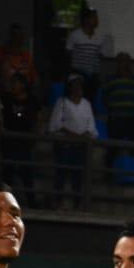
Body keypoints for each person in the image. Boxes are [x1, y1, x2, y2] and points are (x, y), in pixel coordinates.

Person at [47, 75, 98, 207]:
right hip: (65, 146)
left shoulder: (86, 104)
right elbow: (55, 125)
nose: (78, 88)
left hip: (80, 147)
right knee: (61, 175)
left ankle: (78, 204)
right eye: (75, 85)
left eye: (80, 85)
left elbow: (91, 128)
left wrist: (83, 137)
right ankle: (56, 203)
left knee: (78, 178)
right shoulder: (62, 102)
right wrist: (72, 135)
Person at [65, 8, 113, 101]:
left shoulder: (100, 37)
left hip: (93, 76)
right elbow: (68, 54)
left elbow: (100, 56)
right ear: (86, 20)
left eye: (96, 18)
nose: (97, 20)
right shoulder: (75, 35)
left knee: (89, 101)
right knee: (77, 99)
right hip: (77, 74)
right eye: (94, 17)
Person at [101, 52, 134, 142]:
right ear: (117, 63)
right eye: (121, 61)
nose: (124, 64)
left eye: (126, 61)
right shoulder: (110, 79)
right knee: (113, 148)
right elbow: (104, 98)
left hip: (133, 118)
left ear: (130, 64)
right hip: (116, 118)